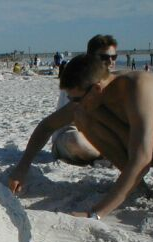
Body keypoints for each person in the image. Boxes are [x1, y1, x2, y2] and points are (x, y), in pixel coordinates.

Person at [9, 54, 153, 219]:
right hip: (141, 149)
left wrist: (96, 213)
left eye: (75, 98)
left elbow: (142, 159)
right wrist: (22, 166)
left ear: (96, 89)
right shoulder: (90, 100)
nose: (72, 102)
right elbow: (47, 125)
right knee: (81, 115)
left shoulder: (137, 88)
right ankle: (137, 184)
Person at [52, 34, 118, 165]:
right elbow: (53, 124)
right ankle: (108, 155)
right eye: (104, 57)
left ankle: (106, 154)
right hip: (70, 134)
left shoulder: (115, 81)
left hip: (97, 135)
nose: (110, 62)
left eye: (114, 57)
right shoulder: (78, 78)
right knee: (76, 140)